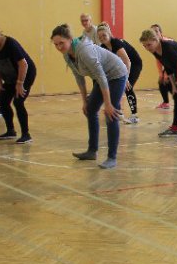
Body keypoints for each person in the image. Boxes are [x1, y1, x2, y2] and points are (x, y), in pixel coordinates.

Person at [51, 24, 127, 169]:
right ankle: (92, 151)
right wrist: (85, 101)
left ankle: (112, 157)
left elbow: (101, 76)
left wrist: (108, 104)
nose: (59, 47)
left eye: (61, 43)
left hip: (116, 74)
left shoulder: (84, 51)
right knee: (90, 110)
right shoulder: (67, 54)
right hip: (102, 77)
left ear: (70, 39)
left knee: (111, 114)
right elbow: (79, 77)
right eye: (56, 44)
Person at [0, 26, 37, 144]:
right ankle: (10, 131)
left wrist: (20, 83)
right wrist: (0, 83)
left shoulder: (11, 44)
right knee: (3, 101)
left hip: (25, 74)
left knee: (18, 101)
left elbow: (23, 64)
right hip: (10, 76)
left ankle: (26, 135)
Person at [139, 28, 177, 142]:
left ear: (156, 40)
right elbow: (168, 67)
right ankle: (175, 128)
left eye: (149, 45)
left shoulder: (168, 48)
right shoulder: (155, 51)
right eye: (144, 46)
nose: (147, 48)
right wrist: (174, 86)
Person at [97, 22, 143, 124]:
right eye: (99, 37)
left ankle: (134, 116)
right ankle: (118, 113)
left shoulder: (116, 43)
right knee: (113, 87)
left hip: (133, 64)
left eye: (104, 35)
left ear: (109, 34)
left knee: (127, 87)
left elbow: (127, 61)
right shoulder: (103, 47)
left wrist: (126, 79)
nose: (102, 38)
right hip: (121, 67)